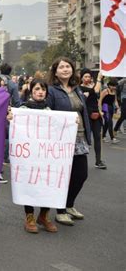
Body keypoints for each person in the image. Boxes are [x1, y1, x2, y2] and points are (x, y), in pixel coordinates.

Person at [47, 57, 91, 226]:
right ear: (55, 71)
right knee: (63, 177)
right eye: (61, 67)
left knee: (81, 175)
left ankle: (69, 205)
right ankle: (60, 211)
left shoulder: (77, 89)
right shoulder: (51, 90)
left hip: (79, 138)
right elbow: (47, 113)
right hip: (62, 140)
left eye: (68, 66)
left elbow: (82, 111)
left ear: (72, 69)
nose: (65, 69)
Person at [15, 79, 58, 234]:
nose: (40, 92)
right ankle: (30, 217)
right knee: (29, 184)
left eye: (43, 89)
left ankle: (44, 216)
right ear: (31, 90)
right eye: (37, 89)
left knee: (47, 184)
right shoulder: (22, 109)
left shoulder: (50, 110)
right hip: (29, 156)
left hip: (46, 156)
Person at [80, 69, 107, 169]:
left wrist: (100, 111)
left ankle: (98, 161)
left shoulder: (94, 86)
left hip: (96, 115)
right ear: (82, 78)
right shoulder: (80, 88)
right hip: (86, 116)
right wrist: (99, 79)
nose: (87, 78)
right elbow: (94, 91)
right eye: (85, 76)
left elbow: (97, 98)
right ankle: (79, 161)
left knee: (97, 137)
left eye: (89, 77)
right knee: (85, 139)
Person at [99, 79, 120, 144]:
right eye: (113, 86)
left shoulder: (114, 91)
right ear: (109, 85)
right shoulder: (105, 91)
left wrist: (118, 108)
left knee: (107, 123)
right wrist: (100, 110)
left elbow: (115, 100)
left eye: (115, 86)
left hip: (111, 107)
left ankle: (103, 136)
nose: (114, 87)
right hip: (105, 106)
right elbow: (100, 100)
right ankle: (112, 138)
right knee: (109, 122)